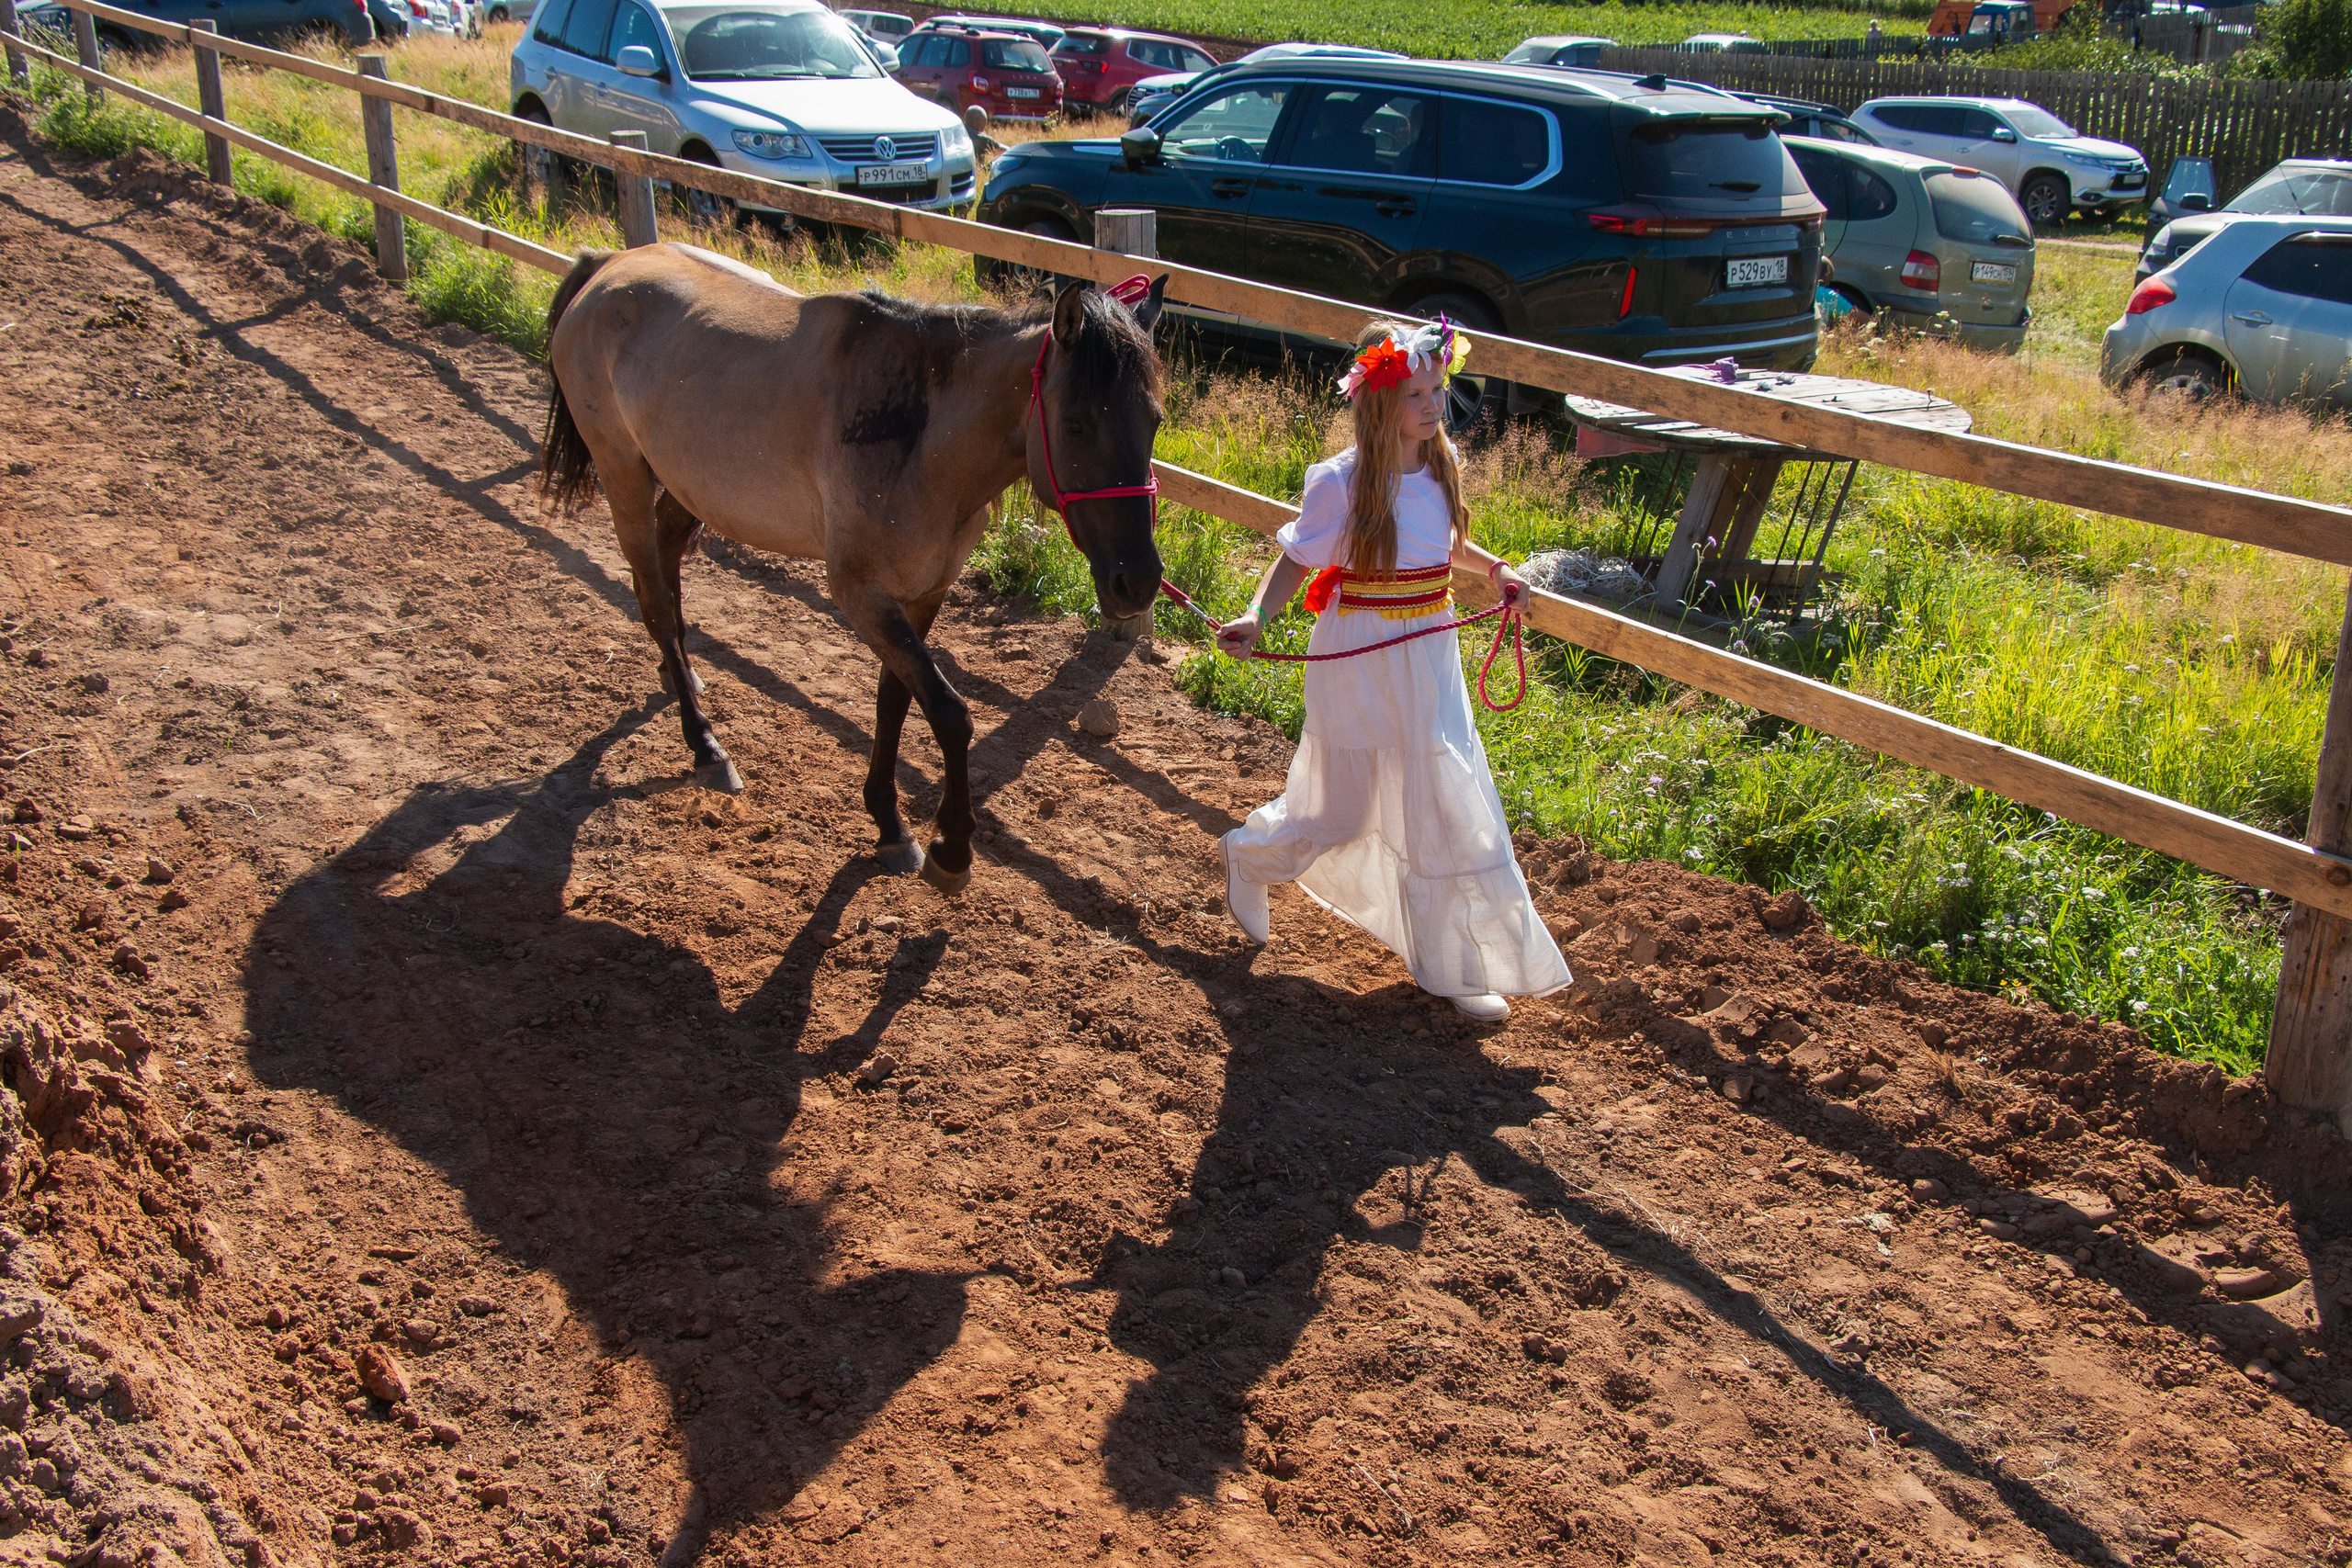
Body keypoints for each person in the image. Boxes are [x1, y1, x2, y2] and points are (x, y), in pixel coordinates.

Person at [1213, 320, 1572, 1024]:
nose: (1435, 404)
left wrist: (1497, 569)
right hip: (1360, 651)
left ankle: (1455, 964)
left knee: (1444, 798)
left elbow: (1447, 544)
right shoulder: (1342, 484)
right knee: (1339, 812)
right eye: (1417, 394)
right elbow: (1296, 558)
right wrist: (1259, 615)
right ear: (1380, 405)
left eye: (1438, 388)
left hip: (1430, 651)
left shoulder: (1441, 464)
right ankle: (1250, 856)